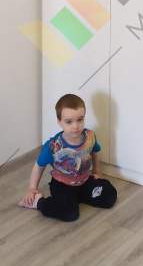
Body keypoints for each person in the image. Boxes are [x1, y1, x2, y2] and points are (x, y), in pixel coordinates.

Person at [19, 93, 117, 221]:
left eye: (80, 120)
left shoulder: (90, 136)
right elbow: (39, 166)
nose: (75, 126)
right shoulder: (53, 146)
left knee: (109, 196)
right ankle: (39, 202)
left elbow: (95, 151)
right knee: (70, 214)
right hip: (62, 185)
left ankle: (76, 198)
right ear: (59, 121)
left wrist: (97, 172)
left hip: (84, 180)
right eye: (69, 122)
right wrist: (32, 188)